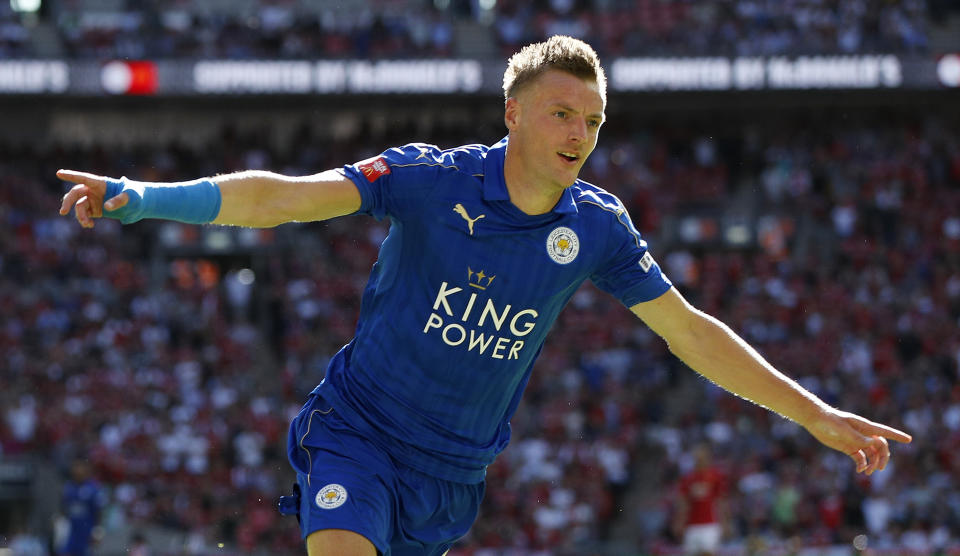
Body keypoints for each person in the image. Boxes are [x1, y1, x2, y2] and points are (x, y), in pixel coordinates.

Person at [57, 35, 911, 556]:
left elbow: (689, 332)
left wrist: (814, 414)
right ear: (512, 112)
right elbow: (283, 196)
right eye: (562, 114)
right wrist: (143, 195)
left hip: (454, 476)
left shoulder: (599, 229)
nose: (580, 135)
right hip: (357, 431)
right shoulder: (429, 179)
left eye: (594, 121)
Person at [672, 445, 727, 556]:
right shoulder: (688, 478)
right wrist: (679, 522)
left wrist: (725, 522)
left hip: (710, 524)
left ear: (708, 458)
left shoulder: (715, 477)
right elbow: (683, 503)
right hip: (691, 525)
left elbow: (721, 501)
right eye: (697, 458)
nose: (699, 460)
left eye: (702, 458)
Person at [57, 459, 105, 556]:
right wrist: (61, 525)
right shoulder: (68, 487)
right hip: (71, 532)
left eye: (79, 469)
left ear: (85, 471)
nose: (77, 472)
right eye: (75, 470)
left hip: (87, 532)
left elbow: (99, 510)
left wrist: (98, 530)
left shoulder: (93, 488)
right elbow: (63, 507)